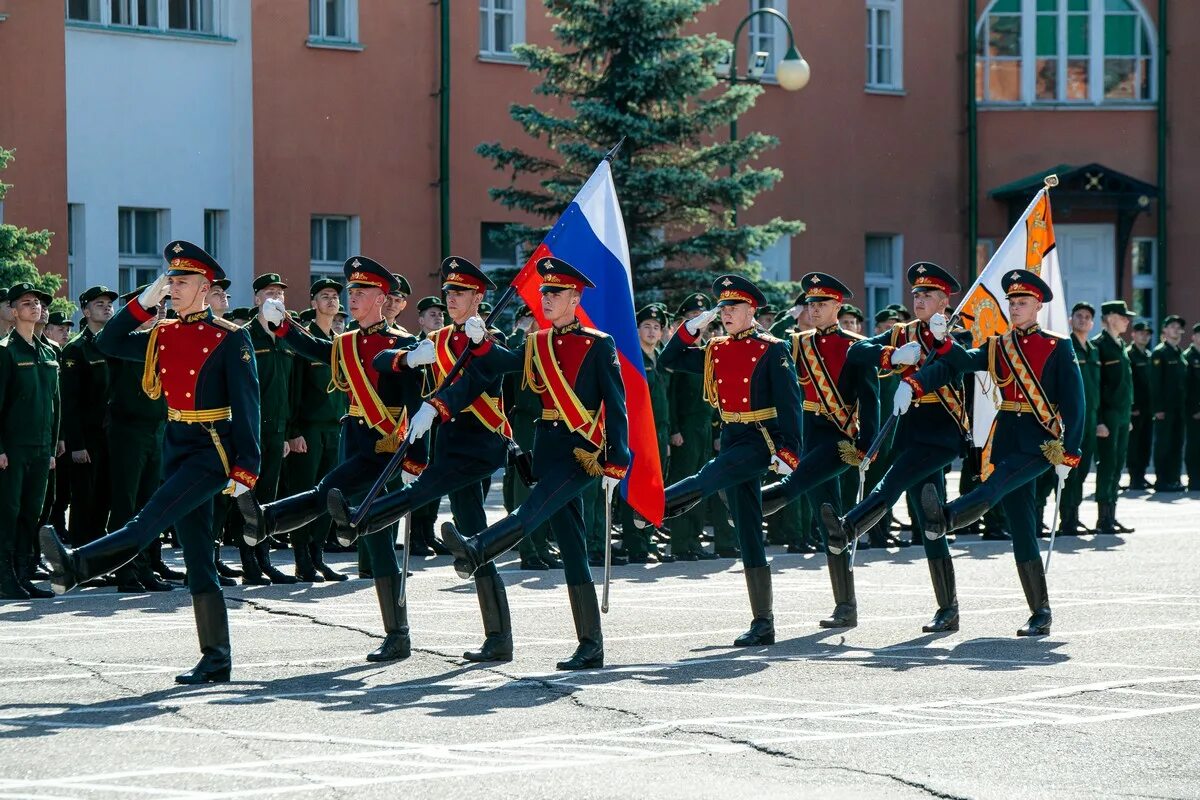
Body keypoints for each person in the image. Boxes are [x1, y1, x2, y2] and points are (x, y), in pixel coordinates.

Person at [42, 241, 261, 683]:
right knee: (199, 557)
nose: (173, 288)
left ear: (206, 288)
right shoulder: (163, 333)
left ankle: (77, 565)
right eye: (171, 281)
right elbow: (108, 341)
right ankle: (216, 657)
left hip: (211, 448)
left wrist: (246, 467)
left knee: (147, 521)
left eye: (182, 281)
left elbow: (249, 404)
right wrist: (144, 301)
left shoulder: (229, 337)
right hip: (176, 442)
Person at [440, 257, 629, 670]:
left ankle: (476, 550)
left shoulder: (599, 343)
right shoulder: (537, 341)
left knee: (530, 512)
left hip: (582, 453)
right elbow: (500, 363)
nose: (545, 298)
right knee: (574, 548)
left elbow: (616, 405)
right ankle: (591, 643)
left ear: (575, 298)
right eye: (543, 292)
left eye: (554, 292)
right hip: (549, 449)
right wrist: (481, 340)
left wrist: (619, 458)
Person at [327, 257, 518, 662]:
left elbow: (474, 383)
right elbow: (381, 362)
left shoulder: (490, 338)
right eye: (448, 292)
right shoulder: (443, 339)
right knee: (472, 536)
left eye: (460, 293)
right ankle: (498, 638)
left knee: (428, 498)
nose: (451, 299)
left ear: (479, 297)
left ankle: (362, 515)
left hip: (479, 446)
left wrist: (437, 405)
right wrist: (409, 359)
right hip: (448, 447)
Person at [237, 257, 426, 662]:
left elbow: (416, 403)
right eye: (350, 292)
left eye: (361, 293)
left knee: (333, 492)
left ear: (382, 298)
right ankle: (398, 634)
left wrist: (415, 460)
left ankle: (270, 519)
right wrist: (282, 325)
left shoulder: (403, 343)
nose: (351, 299)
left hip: (385, 444)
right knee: (375, 540)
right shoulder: (347, 342)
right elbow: (316, 349)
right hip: (353, 434)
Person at [909, 269, 1084, 636]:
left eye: (1022, 303)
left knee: (995, 486)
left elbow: (1075, 403)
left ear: (1037, 306)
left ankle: (946, 518)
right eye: (1012, 302)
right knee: (1021, 526)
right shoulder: (999, 344)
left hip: (1039, 440)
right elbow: (965, 361)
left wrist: (1071, 451)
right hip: (1005, 434)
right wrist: (943, 342)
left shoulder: (1057, 346)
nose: (1016, 308)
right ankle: (1041, 612)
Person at [637, 274, 804, 646]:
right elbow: (670, 360)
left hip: (759, 439)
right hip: (731, 435)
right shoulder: (717, 348)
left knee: (707, 477)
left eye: (733, 308)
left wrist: (789, 451)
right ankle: (764, 622)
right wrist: (690, 327)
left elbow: (791, 404)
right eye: (723, 308)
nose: (726, 314)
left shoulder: (772, 348)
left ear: (751, 310)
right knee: (748, 531)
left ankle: (653, 506)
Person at [818, 263, 969, 630]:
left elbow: (953, 368)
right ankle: (948, 609)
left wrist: (916, 380)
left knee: (895, 478)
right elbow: (856, 353)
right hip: (912, 428)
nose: (919, 300)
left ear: (944, 300)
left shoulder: (956, 335)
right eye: (916, 295)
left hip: (943, 431)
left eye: (928, 295)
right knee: (929, 519)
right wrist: (892, 356)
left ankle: (850, 525)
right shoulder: (903, 334)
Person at [755, 273, 879, 630]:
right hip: (806, 434)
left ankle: (753, 505)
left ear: (838, 307)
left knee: (800, 483)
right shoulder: (797, 343)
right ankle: (846, 606)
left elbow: (870, 400)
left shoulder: (857, 346)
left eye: (821, 303)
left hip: (840, 439)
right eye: (810, 304)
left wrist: (867, 447)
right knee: (830, 522)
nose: (814, 309)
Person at [283, 278, 349, 581]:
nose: (332, 301)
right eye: (325, 296)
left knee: (328, 495)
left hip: (334, 428)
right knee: (305, 493)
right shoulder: (305, 342)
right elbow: (294, 389)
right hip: (308, 430)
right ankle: (301, 558)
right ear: (313, 303)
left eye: (335, 297)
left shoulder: (340, 342)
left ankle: (318, 554)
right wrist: (292, 431)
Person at [237, 273, 299, 585]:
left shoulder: (286, 337)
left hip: (277, 431)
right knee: (246, 497)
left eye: (280, 293)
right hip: (250, 429)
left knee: (267, 498)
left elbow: (291, 389)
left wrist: (288, 433)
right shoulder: (244, 335)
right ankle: (247, 560)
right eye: (270, 292)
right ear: (257, 299)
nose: (276, 298)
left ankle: (264, 559)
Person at [0, 284, 61, 599]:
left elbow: (55, 403)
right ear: (13, 311)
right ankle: (4, 577)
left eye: (37, 302)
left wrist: (51, 450)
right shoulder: (5, 350)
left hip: (40, 447)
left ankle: (24, 574)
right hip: (13, 447)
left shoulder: (49, 350)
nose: (34, 307)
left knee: (31, 512)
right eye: (26, 303)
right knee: (8, 511)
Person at [663, 293, 722, 561]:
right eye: (691, 320)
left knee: (702, 486)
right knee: (683, 483)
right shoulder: (679, 357)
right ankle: (680, 542)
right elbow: (670, 398)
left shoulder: (709, 353)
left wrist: (716, 432)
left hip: (704, 428)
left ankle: (695, 541)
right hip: (684, 430)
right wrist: (674, 429)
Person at [60, 285, 118, 547]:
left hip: (112, 433)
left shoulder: (115, 343)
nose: (106, 307)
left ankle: (97, 555)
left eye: (109, 303)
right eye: (99, 303)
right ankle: (81, 554)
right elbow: (70, 401)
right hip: (88, 434)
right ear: (85, 310)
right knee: (85, 498)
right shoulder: (76, 348)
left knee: (105, 496)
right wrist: (77, 443)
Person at [504, 304, 560, 569]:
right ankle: (527, 549)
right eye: (534, 320)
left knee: (546, 489)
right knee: (524, 490)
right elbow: (506, 359)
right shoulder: (522, 349)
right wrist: (520, 332)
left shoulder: (552, 349)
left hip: (552, 424)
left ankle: (542, 545)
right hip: (526, 424)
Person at [620, 305, 674, 562]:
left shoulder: (661, 358)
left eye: (657, 327)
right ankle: (635, 544)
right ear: (637, 329)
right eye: (647, 326)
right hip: (638, 433)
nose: (652, 331)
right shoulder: (633, 359)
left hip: (659, 432)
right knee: (635, 486)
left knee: (654, 487)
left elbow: (668, 400)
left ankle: (648, 538)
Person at [1092, 301, 1136, 533]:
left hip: (1121, 414)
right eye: (1123, 316)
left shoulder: (1120, 344)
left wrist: (1127, 417)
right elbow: (1097, 385)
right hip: (1107, 415)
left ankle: (1112, 514)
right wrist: (1099, 420)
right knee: (1107, 464)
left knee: (1118, 464)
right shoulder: (1099, 345)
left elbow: (1125, 385)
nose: (1127, 321)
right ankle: (1103, 518)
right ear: (1110, 318)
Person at [1057, 301, 1100, 536]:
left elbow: (1098, 388)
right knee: (1067, 470)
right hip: (1071, 419)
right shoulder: (1066, 346)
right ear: (1070, 320)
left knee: (1082, 471)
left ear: (1092, 323)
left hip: (1091, 420)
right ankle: (1064, 520)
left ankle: (1073, 516)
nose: (1083, 320)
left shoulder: (1093, 350)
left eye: (1087, 317)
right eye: (1079, 316)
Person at [1150, 315, 1187, 491]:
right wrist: (1157, 408)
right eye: (1172, 326)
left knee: (1177, 444)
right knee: (1163, 444)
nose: (1176, 329)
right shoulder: (1160, 352)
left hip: (1179, 409)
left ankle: (1174, 479)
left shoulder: (1179, 353)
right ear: (1164, 330)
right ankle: (1162, 480)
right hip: (1165, 409)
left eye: (1178, 327)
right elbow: (1155, 383)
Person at [1125, 321, 1153, 489]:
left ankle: (1141, 475)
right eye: (1141, 332)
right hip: (1135, 408)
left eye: (1147, 333)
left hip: (1148, 408)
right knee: (1134, 444)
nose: (1145, 336)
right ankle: (1134, 477)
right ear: (1133, 334)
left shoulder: (1148, 355)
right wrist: (1132, 407)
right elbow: (1129, 383)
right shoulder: (1129, 354)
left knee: (1145, 442)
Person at [1185, 323, 1200, 491]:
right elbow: (1187, 387)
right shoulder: (1188, 356)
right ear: (1194, 337)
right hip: (1194, 411)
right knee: (1194, 447)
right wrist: (1194, 409)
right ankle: (1193, 480)